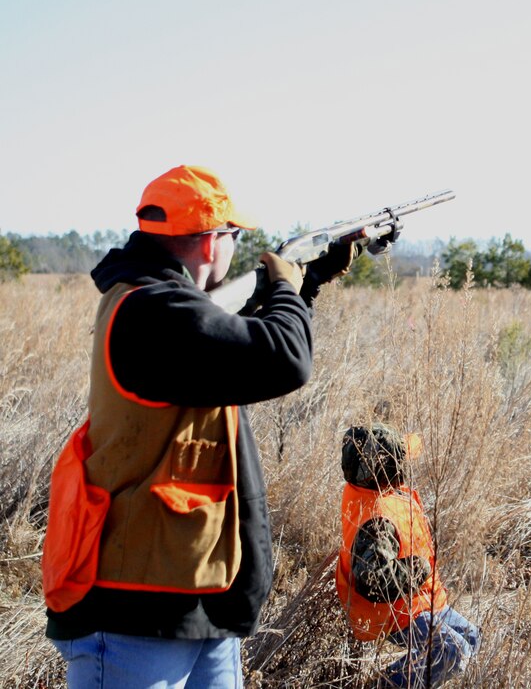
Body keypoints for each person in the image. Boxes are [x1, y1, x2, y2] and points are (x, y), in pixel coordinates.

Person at [41, 164, 362, 688]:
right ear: (211, 243)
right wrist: (285, 285)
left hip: (194, 593)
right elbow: (283, 357)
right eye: (234, 236)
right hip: (135, 612)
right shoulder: (152, 310)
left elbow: (233, 341)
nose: (237, 247)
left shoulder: (163, 303)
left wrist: (308, 283)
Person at [336, 424, 480, 688]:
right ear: (383, 470)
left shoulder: (374, 487)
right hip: (397, 612)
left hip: (419, 598)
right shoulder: (376, 518)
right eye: (399, 460)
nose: (405, 464)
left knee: (470, 638)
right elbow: (373, 580)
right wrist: (418, 568)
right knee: (451, 652)